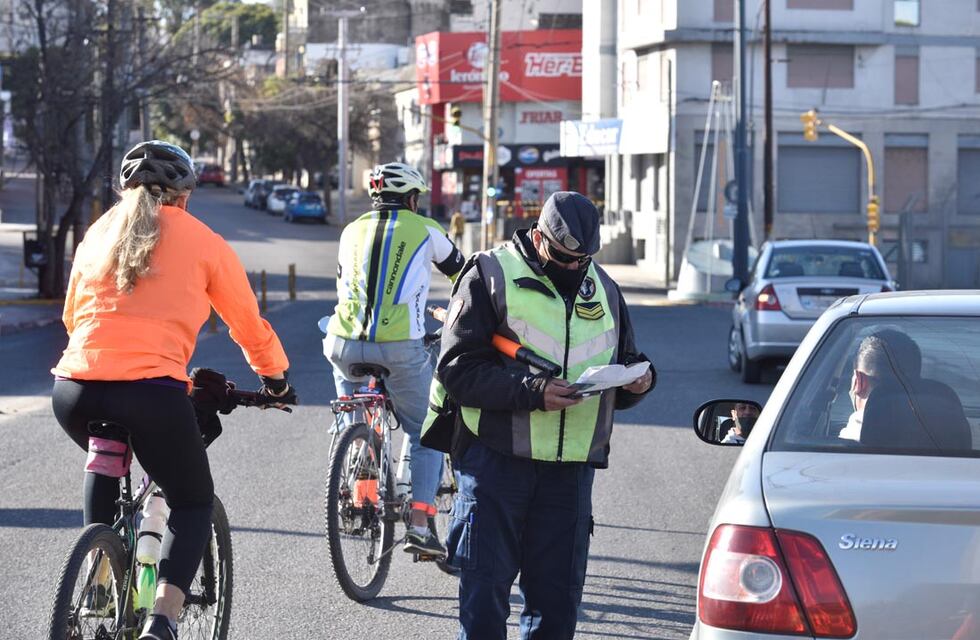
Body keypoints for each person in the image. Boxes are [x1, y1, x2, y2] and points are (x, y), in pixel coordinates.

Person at [51, 140, 296, 640]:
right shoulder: (204, 241)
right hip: (152, 394)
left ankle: (100, 578)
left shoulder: (98, 232)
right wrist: (274, 379)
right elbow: (246, 324)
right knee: (190, 500)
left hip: (74, 389)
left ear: (126, 189)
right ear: (183, 196)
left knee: (109, 455)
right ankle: (161, 621)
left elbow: (72, 316)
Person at [436, 191, 654, 639]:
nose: (575, 267)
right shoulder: (488, 274)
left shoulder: (605, 287)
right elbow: (457, 369)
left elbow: (626, 358)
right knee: (483, 605)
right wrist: (531, 392)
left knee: (556, 609)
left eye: (584, 259)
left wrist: (638, 382)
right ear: (539, 239)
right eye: (564, 256)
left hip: (569, 475)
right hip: (496, 464)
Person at [323, 161, 464, 556]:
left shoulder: (351, 230)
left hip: (342, 342)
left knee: (350, 406)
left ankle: (357, 461)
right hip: (400, 344)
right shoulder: (425, 229)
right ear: (413, 199)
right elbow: (464, 274)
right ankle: (420, 524)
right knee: (426, 430)